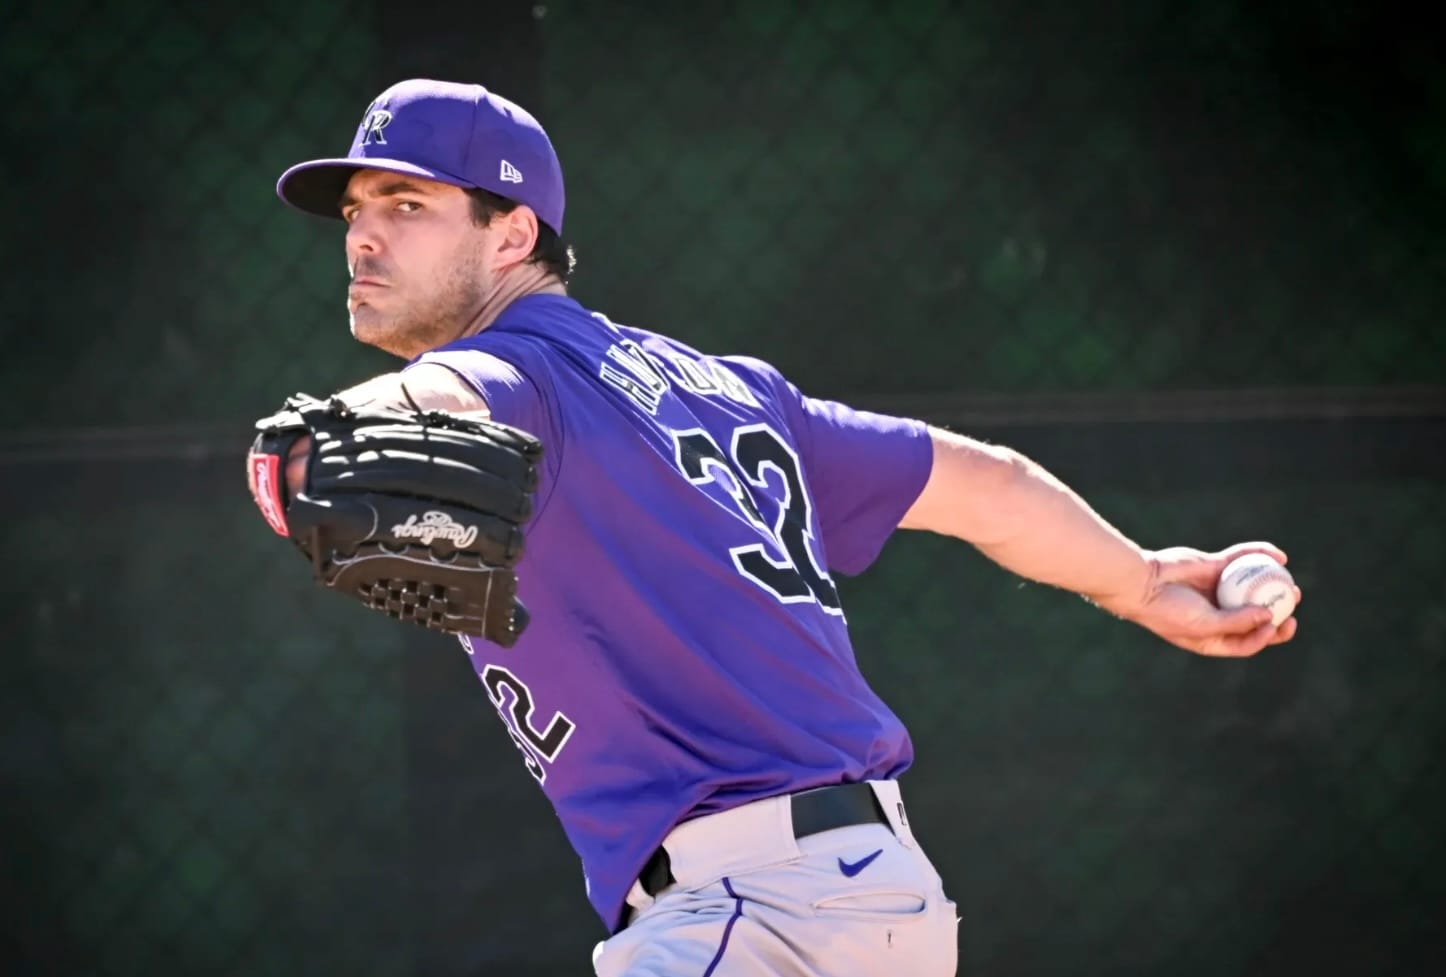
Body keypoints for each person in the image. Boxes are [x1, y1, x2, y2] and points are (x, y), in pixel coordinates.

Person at [264, 78, 1301, 977]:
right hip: (849, 894)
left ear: (514, 231)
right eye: (357, 207)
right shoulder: (731, 392)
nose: (363, 232)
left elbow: (449, 395)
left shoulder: (518, 373)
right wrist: (1142, 579)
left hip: (757, 910)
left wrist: (336, 435)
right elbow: (982, 483)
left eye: (407, 202)